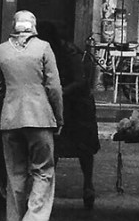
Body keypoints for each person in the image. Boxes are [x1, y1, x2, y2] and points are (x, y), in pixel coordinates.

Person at [0, 11, 64, 221]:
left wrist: (9, 98)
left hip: (10, 119)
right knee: (43, 172)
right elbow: (54, 87)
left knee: (15, 175)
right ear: (34, 27)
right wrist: (59, 117)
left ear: (13, 27)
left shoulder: (1, 51)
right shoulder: (43, 48)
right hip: (40, 118)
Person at [38, 22, 100, 210]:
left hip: (77, 105)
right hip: (60, 103)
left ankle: (88, 185)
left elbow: (80, 81)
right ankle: (48, 187)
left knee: (83, 148)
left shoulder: (70, 52)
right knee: (54, 146)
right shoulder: (44, 51)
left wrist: (60, 92)